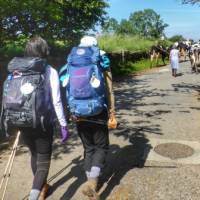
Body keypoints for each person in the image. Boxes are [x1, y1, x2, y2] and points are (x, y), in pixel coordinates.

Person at [5, 36, 69, 200]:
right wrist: (63, 124)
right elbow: (56, 100)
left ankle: (42, 188)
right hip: (42, 123)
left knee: (34, 154)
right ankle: (35, 195)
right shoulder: (48, 70)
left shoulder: (17, 70)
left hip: (20, 120)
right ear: (44, 50)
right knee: (43, 158)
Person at [60, 35, 117, 200]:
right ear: (95, 46)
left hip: (77, 111)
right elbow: (109, 89)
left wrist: (70, 111)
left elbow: (66, 88)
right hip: (97, 110)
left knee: (88, 148)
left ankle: (90, 183)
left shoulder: (71, 61)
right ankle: (92, 183)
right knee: (101, 146)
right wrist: (112, 112)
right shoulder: (100, 59)